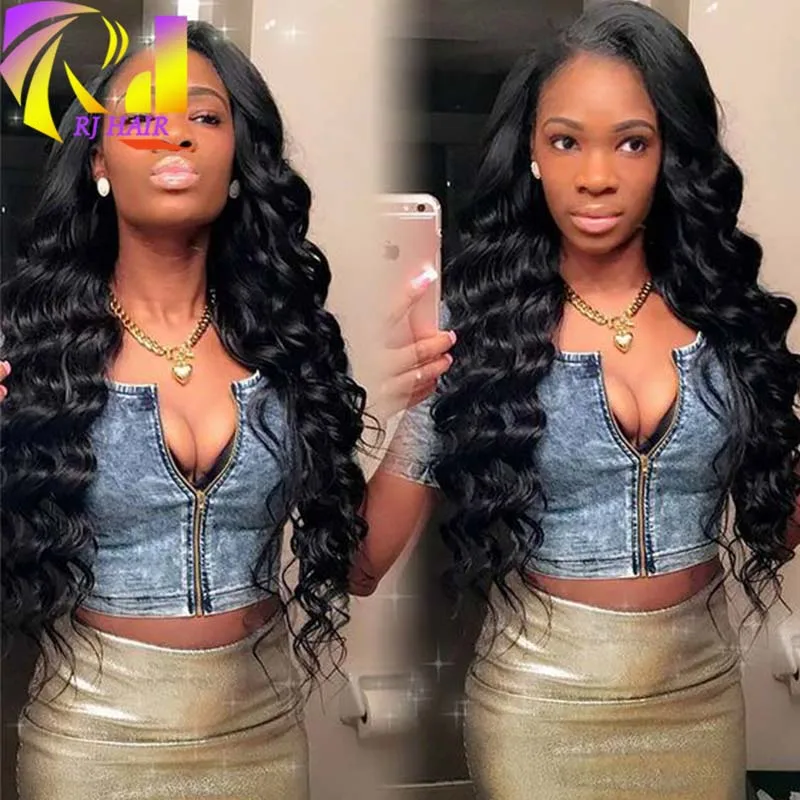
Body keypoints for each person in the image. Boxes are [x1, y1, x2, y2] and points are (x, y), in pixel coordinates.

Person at [352, 3, 800, 798]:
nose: (596, 176)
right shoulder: (477, 329)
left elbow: (783, 528)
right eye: (566, 141)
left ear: (670, 153)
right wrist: (381, 407)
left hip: (700, 697)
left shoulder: (724, 317)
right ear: (531, 152)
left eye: (632, 142)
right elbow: (360, 567)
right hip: (539, 709)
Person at [0, 21, 454, 800]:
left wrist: (432, 406)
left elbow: (359, 565)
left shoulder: (287, 345)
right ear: (99, 160)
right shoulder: (31, 350)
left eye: (205, 117)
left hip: (261, 745)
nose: (175, 134)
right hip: (92, 746)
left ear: (239, 164)